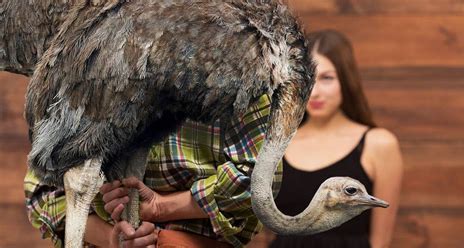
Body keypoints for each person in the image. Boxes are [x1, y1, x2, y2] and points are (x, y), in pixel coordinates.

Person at [24, 93, 282, 248]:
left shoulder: (235, 72)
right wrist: (115, 239)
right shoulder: (85, 73)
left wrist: (162, 206)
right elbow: (45, 195)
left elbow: (258, 178)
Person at [268, 30, 403, 248]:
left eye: (327, 78)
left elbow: (380, 243)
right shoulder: (279, 142)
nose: (315, 92)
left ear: (346, 79)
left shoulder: (378, 144)